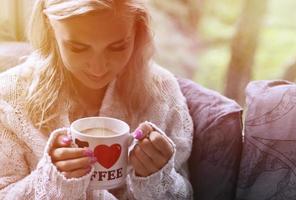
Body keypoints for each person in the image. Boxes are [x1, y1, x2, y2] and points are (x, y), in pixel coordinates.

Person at [0, 0, 193, 199]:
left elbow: (184, 194)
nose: (98, 68)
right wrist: (52, 184)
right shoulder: (8, 99)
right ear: (50, 28)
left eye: (117, 47)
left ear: (138, 30)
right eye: (78, 48)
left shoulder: (160, 91)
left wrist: (158, 178)